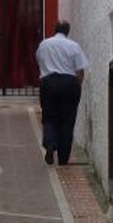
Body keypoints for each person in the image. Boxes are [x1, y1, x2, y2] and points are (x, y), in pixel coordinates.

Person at [35, 20, 90, 166]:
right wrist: (77, 86)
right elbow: (80, 70)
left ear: (55, 29)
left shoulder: (44, 45)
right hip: (69, 82)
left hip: (48, 82)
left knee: (49, 116)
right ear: (68, 31)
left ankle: (50, 144)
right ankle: (63, 158)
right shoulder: (74, 46)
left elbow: (39, 61)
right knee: (67, 120)